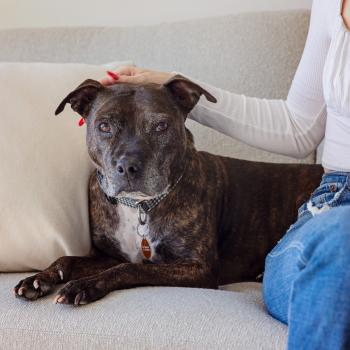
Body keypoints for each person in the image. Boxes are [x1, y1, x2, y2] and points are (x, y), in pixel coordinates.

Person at [101, 1, 350, 348]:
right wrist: (171, 89)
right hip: (334, 210)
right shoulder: (330, 5)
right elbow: (298, 127)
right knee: (342, 238)